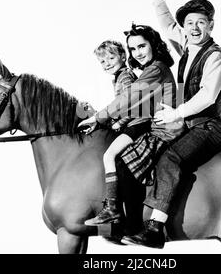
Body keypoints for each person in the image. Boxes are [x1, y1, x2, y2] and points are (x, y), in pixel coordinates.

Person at [120, 0, 221, 248]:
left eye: (201, 22)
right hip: (186, 123)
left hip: (207, 126)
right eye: (190, 23)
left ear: (211, 25)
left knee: (170, 159)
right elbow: (168, 24)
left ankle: (155, 229)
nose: (194, 28)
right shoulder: (186, 45)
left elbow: (207, 97)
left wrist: (175, 113)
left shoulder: (215, 56)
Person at [78, 24, 184, 227]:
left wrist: (100, 118)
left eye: (142, 46)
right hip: (153, 124)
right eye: (133, 49)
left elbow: (130, 99)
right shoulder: (151, 69)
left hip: (161, 130)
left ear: (153, 44)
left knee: (116, 159)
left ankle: (124, 218)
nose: (137, 53)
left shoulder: (154, 69)